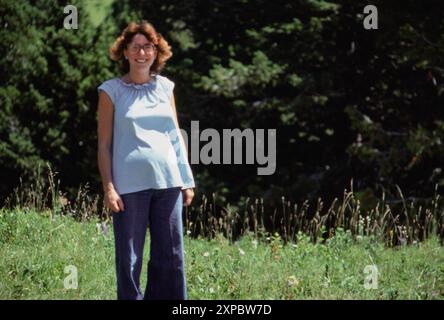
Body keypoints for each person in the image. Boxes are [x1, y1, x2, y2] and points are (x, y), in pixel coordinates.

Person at [96, 20, 195, 300]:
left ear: (156, 51)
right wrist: (109, 188)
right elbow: (104, 145)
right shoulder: (110, 91)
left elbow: (175, 135)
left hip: (169, 183)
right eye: (136, 47)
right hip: (128, 188)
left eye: (148, 46)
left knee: (171, 258)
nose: (142, 52)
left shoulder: (165, 87)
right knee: (129, 260)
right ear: (124, 52)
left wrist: (186, 180)